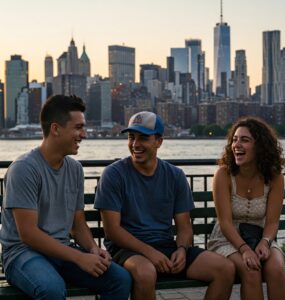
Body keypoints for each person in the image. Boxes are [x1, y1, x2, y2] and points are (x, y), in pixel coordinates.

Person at [0, 95, 131, 300]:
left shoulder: (75, 169)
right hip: (22, 254)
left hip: (62, 251)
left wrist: (92, 249)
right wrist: (79, 257)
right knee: (51, 289)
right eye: (78, 128)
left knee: (120, 279)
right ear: (55, 129)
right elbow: (28, 234)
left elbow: (77, 224)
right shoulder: (23, 169)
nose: (84, 134)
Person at [94, 111, 235, 300]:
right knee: (145, 274)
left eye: (143, 138)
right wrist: (151, 253)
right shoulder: (113, 174)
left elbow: (185, 227)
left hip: (166, 246)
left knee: (225, 269)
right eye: (131, 137)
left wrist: (182, 250)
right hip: (126, 250)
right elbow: (112, 231)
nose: (135, 144)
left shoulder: (175, 175)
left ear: (159, 141)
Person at [207, 117, 285, 300]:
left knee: (276, 268)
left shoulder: (275, 177)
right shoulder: (223, 174)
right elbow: (225, 223)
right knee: (251, 269)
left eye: (244, 140)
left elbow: (272, 221)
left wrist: (265, 242)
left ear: (260, 146)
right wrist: (245, 249)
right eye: (235, 140)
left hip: (261, 236)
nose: (237, 144)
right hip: (227, 239)